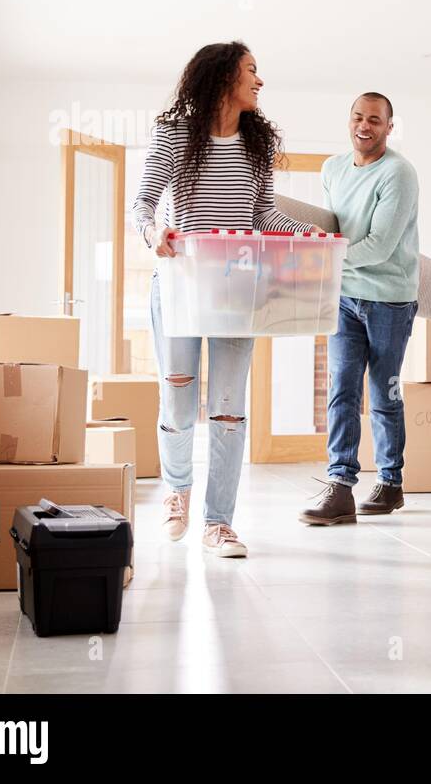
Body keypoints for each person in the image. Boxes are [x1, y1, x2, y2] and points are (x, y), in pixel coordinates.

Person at [132, 40, 318, 558]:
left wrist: (305, 234)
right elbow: (143, 204)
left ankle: (219, 522)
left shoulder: (255, 146)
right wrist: (155, 235)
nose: (259, 81)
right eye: (251, 71)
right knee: (178, 396)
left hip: (237, 288)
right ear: (222, 77)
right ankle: (178, 492)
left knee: (229, 410)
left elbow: (262, 218)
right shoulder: (174, 135)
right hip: (181, 285)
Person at [300, 92, 420, 525]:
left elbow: (380, 246)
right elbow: (338, 226)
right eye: (357, 117)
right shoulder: (332, 168)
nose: (364, 126)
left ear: (389, 126)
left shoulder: (399, 174)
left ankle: (390, 483)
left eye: (374, 119)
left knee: (383, 392)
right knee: (341, 389)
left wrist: (327, 253)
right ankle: (340, 486)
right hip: (343, 296)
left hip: (390, 298)